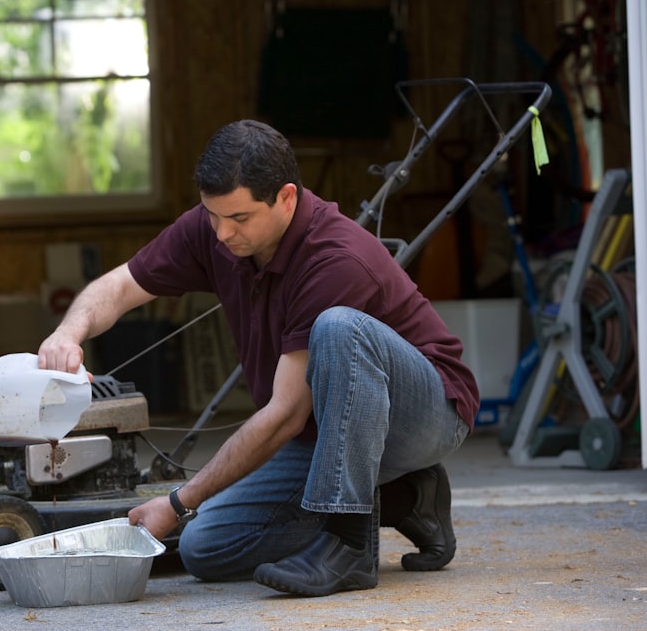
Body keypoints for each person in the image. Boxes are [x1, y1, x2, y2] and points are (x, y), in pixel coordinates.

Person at [37, 119, 477, 597]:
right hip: (325, 429)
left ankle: (349, 546)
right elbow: (120, 286)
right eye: (212, 215)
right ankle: (406, 497)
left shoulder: (335, 259)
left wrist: (179, 502)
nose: (222, 233)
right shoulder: (217, 226)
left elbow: (285, 414)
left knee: (338, 326)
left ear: (286, 198)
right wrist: (68, 332)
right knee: (207, 548)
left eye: (239, 219)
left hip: (426, 414)